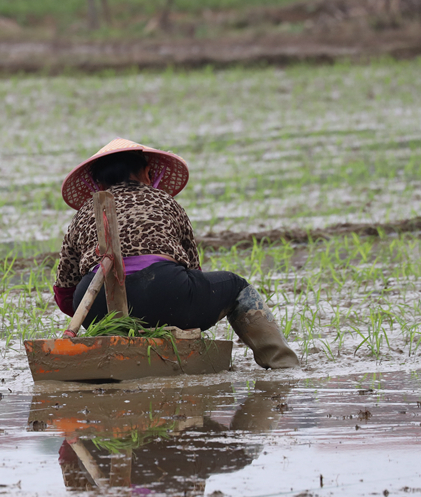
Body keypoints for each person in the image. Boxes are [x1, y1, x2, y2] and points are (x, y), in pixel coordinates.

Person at [54, 138, 298, 369]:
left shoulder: (83, 214)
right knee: (237, 287)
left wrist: (113, 318)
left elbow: (65, 292)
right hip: (166, 292)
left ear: (98, 182)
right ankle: (282, 364)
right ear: (145, 172)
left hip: (96, 306)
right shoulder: (166, 202)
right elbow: (193, 271)